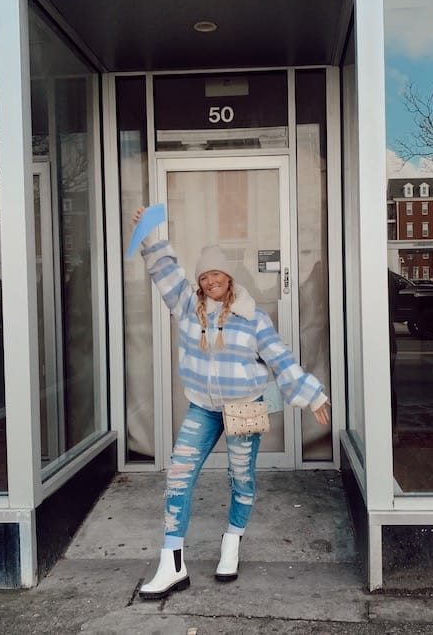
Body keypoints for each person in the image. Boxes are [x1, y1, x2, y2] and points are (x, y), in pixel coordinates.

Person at [131, 206, 331, 600]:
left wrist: (311, 394)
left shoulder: (252, 317)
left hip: (243, 408)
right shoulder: (187, 307)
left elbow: (280, 358)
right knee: (178, 476)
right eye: (204, 276)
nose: (211, 281)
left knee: (241, 478)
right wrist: (150, 234)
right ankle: (172, 563)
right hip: (202, 408)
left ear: (229, 277)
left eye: (216, 274)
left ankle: (232, 542)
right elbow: (165, 270)